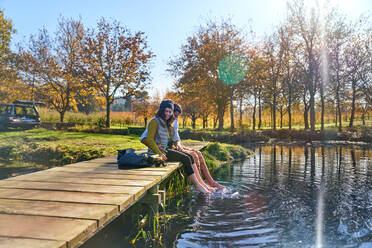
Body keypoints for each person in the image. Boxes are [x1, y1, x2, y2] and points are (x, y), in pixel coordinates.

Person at [140, 100, 212, 194]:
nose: (168, 114)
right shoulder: (154, 121)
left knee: (190, 156)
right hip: (157, 153)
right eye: (166, 111)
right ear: (161, 110)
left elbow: (170, 139)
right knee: (185, 158)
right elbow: (149, 139)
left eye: (170, 112)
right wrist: (159, 152)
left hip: (166, 150)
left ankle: (200, 184)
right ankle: (198, 186)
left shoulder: (167, 122)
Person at [172, 104, 224, 189]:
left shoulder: (175, 121)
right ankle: (200, 184)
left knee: (198, 153)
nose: (176, 117)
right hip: (172, 147)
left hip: (177, 145)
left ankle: (211, 182)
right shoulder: (167, 121)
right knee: (194, 155)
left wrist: (180, 146)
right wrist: (178, 146)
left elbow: (176, 137)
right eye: (175, 115)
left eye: (178, 115)